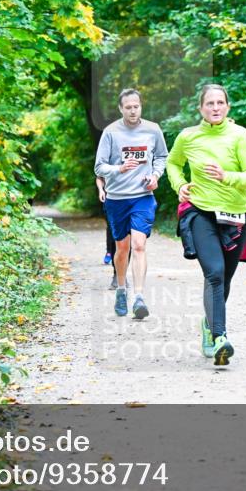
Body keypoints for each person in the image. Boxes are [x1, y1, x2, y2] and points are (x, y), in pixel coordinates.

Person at [167, 84, 246, 366]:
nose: (215, 108)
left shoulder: (240, 136)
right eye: (210, 103)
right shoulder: (188, 136)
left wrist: (226, 176)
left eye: (220, 103)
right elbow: (172, 163)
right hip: (200, 212)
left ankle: (209, 326)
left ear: (228, 107)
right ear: (201, 108)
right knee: (215, 274)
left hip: (234, 215)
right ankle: (221, 337)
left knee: (224, 279)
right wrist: (180, 185)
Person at [94, 88, 168, 319]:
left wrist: (155, 176)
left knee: (138, 245)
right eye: (128, 107)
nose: (133, 110)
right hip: (117, 198)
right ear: (121, 109)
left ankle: (138, 297)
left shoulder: (153, 129)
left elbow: (162, 157)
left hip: (142, 196)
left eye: (136, 106)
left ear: (141, 106)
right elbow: (99, 167)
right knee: (122, 248)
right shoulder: (110, 132)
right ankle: (121, 289)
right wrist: (119, 168)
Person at [96, 175, 123, 289]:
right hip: (111, 200)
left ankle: (122, 272)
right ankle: (116, 273)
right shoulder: (108, 158)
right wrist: (101, 190)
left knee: (128, 237)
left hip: (133, 199)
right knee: (113, 233)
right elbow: (99, 177)